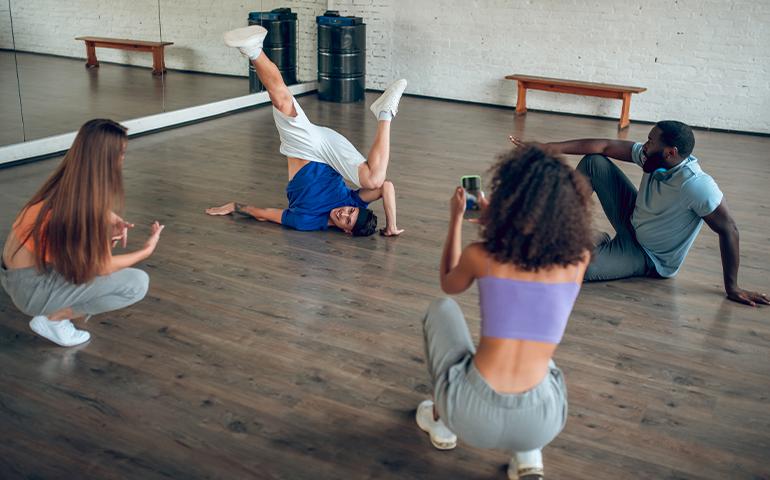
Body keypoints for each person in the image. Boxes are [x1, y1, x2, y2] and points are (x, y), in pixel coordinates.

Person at [416, 147, 593, 480]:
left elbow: (448, 283)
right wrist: (501, 224)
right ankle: (528, 455)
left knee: (441, 310)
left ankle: (441, 425)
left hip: (468, 415)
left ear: (509, 201)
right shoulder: (579, 260)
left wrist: (457, 219)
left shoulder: (482, 256)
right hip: (541, 421)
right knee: (541, 351)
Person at [511, 121, 768, 307]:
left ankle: (596, 243)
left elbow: (729, 229)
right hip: (633, 219)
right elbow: (604, 145)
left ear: (671, 152)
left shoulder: (697, 185)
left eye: (651, 142)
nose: (644, 146)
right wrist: (547, 147)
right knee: (595, 162)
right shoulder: (653, 157)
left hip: (647, 256)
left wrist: (732, 287)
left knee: (567, 268)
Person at [206, 26, 405, 237]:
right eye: (351, 211)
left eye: (347, 220)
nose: (343, 213)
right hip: (328, 152)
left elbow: (264, 214)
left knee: (282, 100)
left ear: (346, 231)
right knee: (374, 180)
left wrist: (235, 207)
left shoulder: (305, 221)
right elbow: (387, 187)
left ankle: (253, 50)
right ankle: (385, 113)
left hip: (302, 148)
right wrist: (391, 225)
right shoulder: (352, 200)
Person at [0, 119, 165, 347]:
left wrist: (106, 217)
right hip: (32, 290)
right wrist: (146, 251)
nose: (123, 158)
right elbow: (100, 266)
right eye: (121, 152)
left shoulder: (63, 186)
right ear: (105, 158)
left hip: (20, 277)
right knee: (136, 283)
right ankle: (54, 320)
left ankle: (53, 312)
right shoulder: (71, 211)